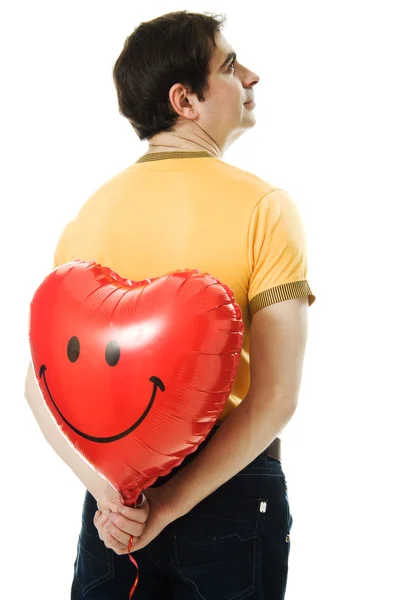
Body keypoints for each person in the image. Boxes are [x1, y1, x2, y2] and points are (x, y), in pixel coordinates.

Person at [24, 9, 316, 600]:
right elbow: (276, 399)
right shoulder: (265, 207)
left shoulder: (89, 215)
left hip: (113, 507)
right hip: (229, 493)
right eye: (231, 66)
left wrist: (115, 501)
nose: (252, 77)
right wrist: (168, 508)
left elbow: (39, 389)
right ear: (186, 99)